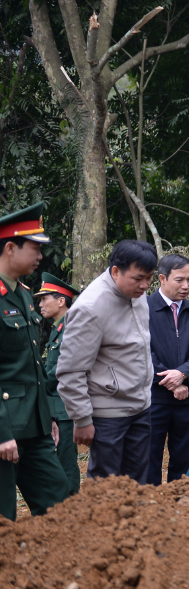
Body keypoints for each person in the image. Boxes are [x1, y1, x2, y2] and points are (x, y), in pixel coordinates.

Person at [58, 239, 157, 482]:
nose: (145, 285)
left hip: (140, 406)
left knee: (138, 483)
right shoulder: (91, 308)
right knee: (106, 485)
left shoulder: (137, 295)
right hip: (108, 415)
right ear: (115, 271)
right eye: (138, 278)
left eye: (150, 278)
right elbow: (71, 371)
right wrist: (82, 419)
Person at [0, 204, 69, 521]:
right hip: (6, 430)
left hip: (35, 426)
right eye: (35, 248)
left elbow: (33, 365)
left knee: (59, 507)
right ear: (10, 248)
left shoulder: (25, 295)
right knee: (4, 519)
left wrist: (48, 417)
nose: (41, 256)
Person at [146, 254, 189, 485]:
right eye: (179, 280)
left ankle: (180, 511)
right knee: (148, 459)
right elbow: (141, 351)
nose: (186, 286)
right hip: (153, 399)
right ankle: (150, 509)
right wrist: (170, 381)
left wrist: (182, 374)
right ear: (162, 279)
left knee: (184, 462)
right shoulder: (142, 308)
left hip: (188, 399)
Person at [35, 272, 81, 496]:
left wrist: (38, 383)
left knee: (65, 464)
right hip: (56, 406)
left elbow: (62, 369)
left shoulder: (71, 327)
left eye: (45, 299)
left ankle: (69, 511)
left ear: (61, 300)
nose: (40, 304)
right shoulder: (58, 327)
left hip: (65, 408)